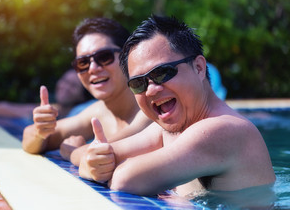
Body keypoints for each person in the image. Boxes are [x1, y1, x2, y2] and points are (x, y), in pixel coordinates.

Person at [78, 15, 275, 201]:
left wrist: (99, 165)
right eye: (138, 83)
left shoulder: (224, 130)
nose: (151, 90)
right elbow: (89, 155)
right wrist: (90, 164)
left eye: (163, 72)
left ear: (198, 67)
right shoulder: (170, 129)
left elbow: (126, 180)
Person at [22, 17, 152, 166]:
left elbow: (101, 154)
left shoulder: (149, 106)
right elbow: (28, 139)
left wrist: (72, 152)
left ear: (128, 55)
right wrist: (40, 130)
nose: (92, 68)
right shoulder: (98, 112)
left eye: (104, 57)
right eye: (83, 62)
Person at [0, 69, 94, 119]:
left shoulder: (80, 115)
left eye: (73, 85)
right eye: (64, 81)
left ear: (82, 95)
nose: (66, 87)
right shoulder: (50, 109)